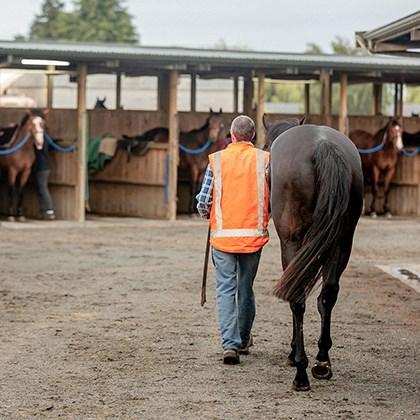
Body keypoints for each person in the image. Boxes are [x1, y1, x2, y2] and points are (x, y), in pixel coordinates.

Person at [196, 115, 270, 365]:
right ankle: (244, 338)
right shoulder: (264, 161)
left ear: (232, 135)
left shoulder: (216, 161)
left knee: (225, 290)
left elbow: (204, 201)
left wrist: (208, 214)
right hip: (253, 238)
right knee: (245, 288)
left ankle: (230, 345)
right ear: (252, 137)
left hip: (223, 238)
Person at [33, 130, 55, 220]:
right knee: (40, 189)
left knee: (43, 189)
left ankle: (49, 210)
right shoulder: (44, 141)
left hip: (42, 168)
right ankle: (44, 211)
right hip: (42, 167)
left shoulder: (41, 142)